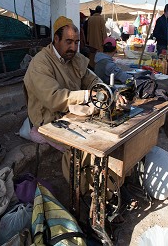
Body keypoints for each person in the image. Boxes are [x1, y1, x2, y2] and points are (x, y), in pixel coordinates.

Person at [24, 16, 129, 211]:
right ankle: (83, 196)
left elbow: (92, 81)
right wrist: (88, 96)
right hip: (48, 118)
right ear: (55, 39)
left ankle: (105, 187)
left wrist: (109, 92)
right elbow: (54, 99)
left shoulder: (75, 58)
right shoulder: (40, 64)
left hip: (69, 112)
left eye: (77, 42)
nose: (73, 47)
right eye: (68, 42)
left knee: (110, 139)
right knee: (80, 148)